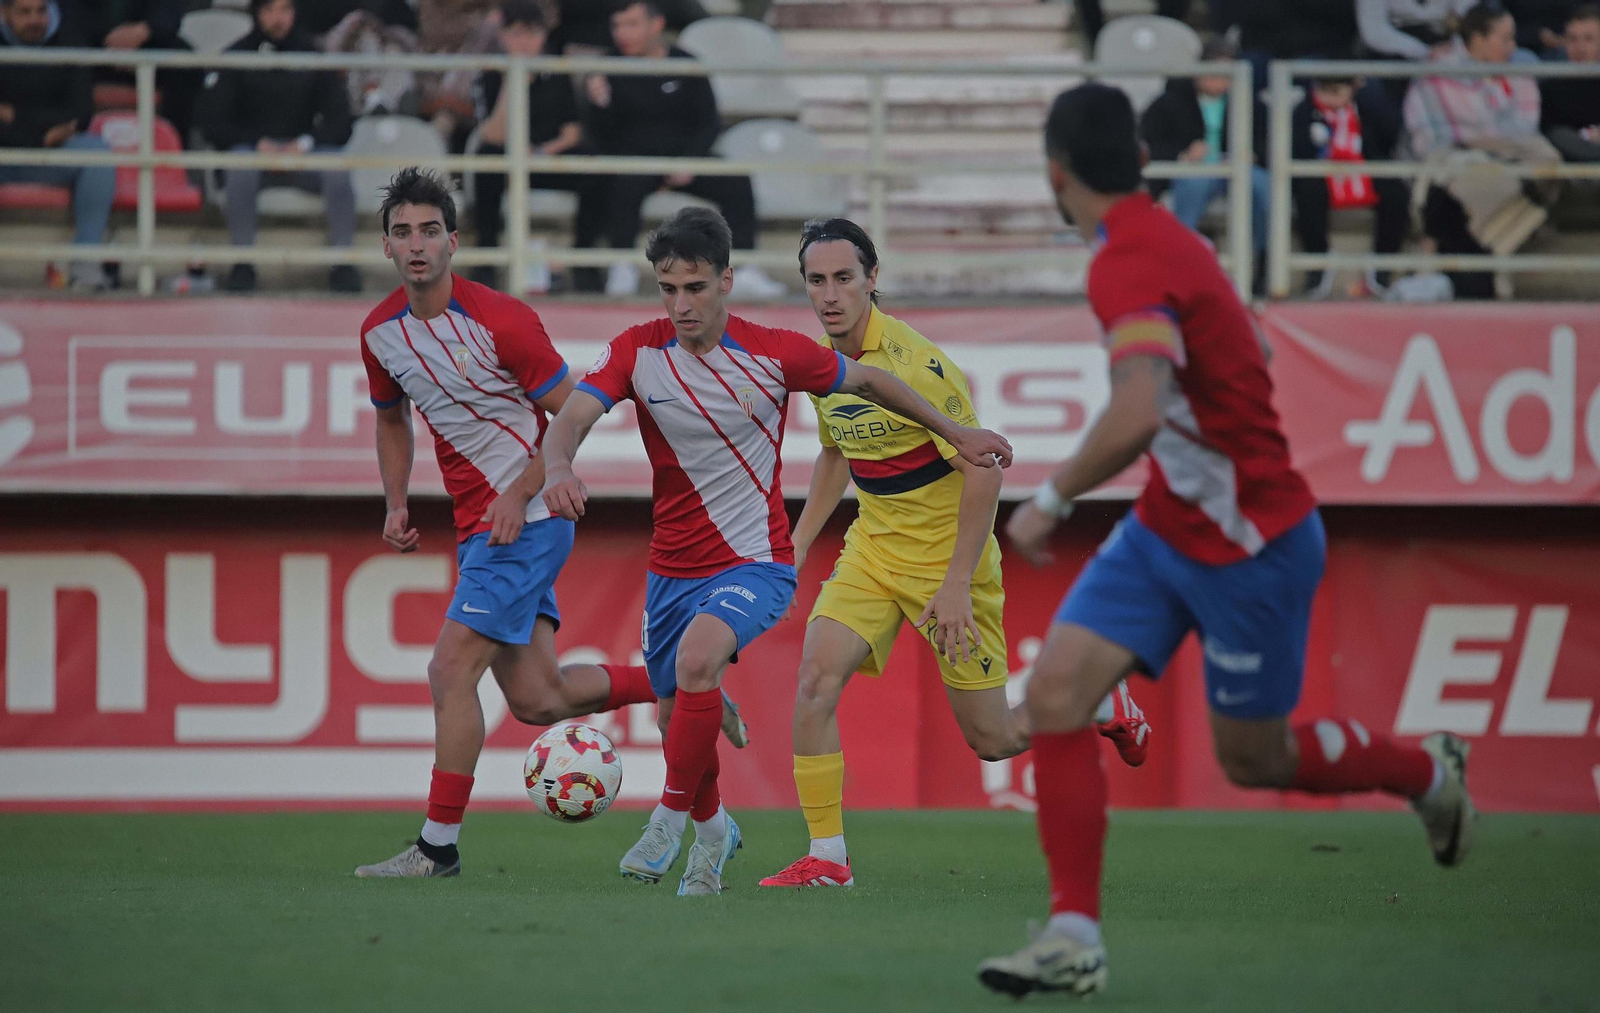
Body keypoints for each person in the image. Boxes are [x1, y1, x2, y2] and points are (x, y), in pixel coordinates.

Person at [976, 83, 1475, 999]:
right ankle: (1073, 934)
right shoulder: (1172, 241)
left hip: (1253, 537)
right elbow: (1252, 351)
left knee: (1257, 758)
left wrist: (1048, 498)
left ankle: (1424, 770)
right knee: (1054, 692)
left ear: (1055, 173)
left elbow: (1131, 414)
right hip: (1170, 522)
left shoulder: (1127, 258)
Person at [539, 206, 1014, 896]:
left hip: (863, 563)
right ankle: (791, 849)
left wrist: (955, 444)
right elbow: (575, 417)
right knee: (763, 691)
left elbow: (905, 404)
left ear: (727, 281)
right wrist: (557, 466)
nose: (682, 304)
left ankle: (669, 816)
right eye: (669, 289)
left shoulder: (800, 354)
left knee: (991, 737)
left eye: (695, 287)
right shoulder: (639, 350)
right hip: (766, 558)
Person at [757, 219, 1151, 890]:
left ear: (872, 279)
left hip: (948, 567)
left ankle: (1102, 704)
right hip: (873, 552)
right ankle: (828, 857)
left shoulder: (918, 366)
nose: (830, 294)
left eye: (844, 278)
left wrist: (958, 582)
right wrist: (794, 546)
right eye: (817, 281)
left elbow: (984, 468)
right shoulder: (823, 365)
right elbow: (834, 453)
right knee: (815, 682)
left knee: (992, 739)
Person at [351, 167, 718, 878]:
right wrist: (395, 499)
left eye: (430, 230)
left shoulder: (502, 320)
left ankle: (436, 847)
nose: (417, 244)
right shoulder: (380, 334)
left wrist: (524, 491)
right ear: (387, 247)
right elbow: (391, 417)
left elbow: (570, 414)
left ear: (454, 241)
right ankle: (680, 684)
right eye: (403, 232)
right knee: (536, 697)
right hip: (480, 525)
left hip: (529, 518)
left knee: (448, 669)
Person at [583, 1, 786, 300]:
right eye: (617, 25)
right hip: (635, 162)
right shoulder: (606, 69)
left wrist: (688, 161)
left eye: (631, 24)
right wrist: (598, 104)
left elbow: (708, 121)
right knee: (621, 181)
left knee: (735, 178)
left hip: (685, 160)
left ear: (656, 25)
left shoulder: (685, 62)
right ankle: (621, 266)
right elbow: (601, 136)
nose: (622, 34)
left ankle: (743, 268)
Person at [198, 0, 360, 293]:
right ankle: (243, 263)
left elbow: (341, 121)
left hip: (303, 155)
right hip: (253, 152)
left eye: (285, 9)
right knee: (239, 165)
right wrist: (257, 143)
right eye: (269, 10)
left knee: (337, 168)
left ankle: (343, 263)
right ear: (257, 13)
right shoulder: (237, 55)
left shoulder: (313, 54)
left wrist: (304, 143)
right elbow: (213, 122)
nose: (277, 18)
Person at [1405, 4, 1557, 299]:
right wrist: (1482, 144)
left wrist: (1484, 142)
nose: (1512, 47)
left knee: (1546, 162)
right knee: (1461, 180)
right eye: (1505, 38)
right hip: (1453, 166)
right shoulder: (1437, 72)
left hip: (1507, 164)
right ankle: (1458, 256)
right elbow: (1432, 140)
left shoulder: (1519, 75)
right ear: (1477, 39)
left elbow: (1525, 133)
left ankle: (1434, 249)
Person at [469, 0, 606, 291]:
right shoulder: (490, 72)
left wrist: (541, 152)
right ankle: (486, 259)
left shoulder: (555, 70)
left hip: (546, 157)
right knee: (485, 160)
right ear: (503, 35)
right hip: (506, 157)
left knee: (594, 165)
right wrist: (512, 81)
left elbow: (572, 131)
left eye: (531, 34)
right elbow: (491, 134)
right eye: (516, 33)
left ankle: (585, 262)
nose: (524, 42)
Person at [0, 0, 116, 291]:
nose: (34, 20)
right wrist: (40, 135)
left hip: (52, 155)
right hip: (10, 151)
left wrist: (15, 116)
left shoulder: (70, 41)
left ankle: (86, 266)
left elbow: (79, 113)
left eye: (40, 11)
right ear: (5, 13)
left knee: (96, 154)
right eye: (24, 12)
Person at [1137, 36, 1269, 289]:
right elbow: (1148, 143)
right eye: (1214, 72)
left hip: (1234, 170)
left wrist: (1252, 155)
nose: (1220, 80)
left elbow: (1268, 142)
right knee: (1194, 183)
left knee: (1263, 185)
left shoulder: (1247, 101)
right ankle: (1177, 264)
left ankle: (1263, 262)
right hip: (1194, 172)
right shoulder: (1171, 101)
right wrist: (1181, 155)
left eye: (1226, 74)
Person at [1291, 77, 1410, 296]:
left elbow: (1387, 140)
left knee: (1395, 193)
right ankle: (1319, 264)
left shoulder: (1366, 110)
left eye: (1338, 91)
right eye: (1326, 91)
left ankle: (1382, 264)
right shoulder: (1303, 112)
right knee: (1307, 189)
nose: (1332, 98)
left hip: (1361, 170)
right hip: (1321, 172)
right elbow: (1297, 150)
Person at [1540, 4, 1600, 162]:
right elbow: (1552, 133)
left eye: (1588, 39)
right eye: (1572, 39)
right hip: (1572, 163)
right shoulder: (1551, 86)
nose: (1579, 47)